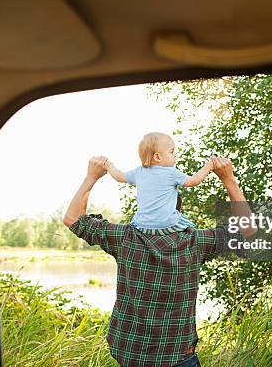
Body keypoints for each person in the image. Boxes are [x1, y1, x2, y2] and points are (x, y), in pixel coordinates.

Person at [63, 156, 256, 367]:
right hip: (179, 358)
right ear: (177, 211)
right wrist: (229, 180)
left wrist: (91, 177)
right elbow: (247, 231)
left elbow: (72, 218)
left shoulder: (125, 239)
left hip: (131, 357)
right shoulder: (195, 242)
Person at [103, 132, 214, 233]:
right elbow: (193, 181)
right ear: (157, 156)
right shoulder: (171, 172)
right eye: (171, 152)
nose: (174, 155)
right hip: (168, 224)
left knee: (136, 220)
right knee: (191, 227)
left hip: (142, 226)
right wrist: (209, 166)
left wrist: (109, 165)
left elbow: (119, 176)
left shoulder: (139, 172)